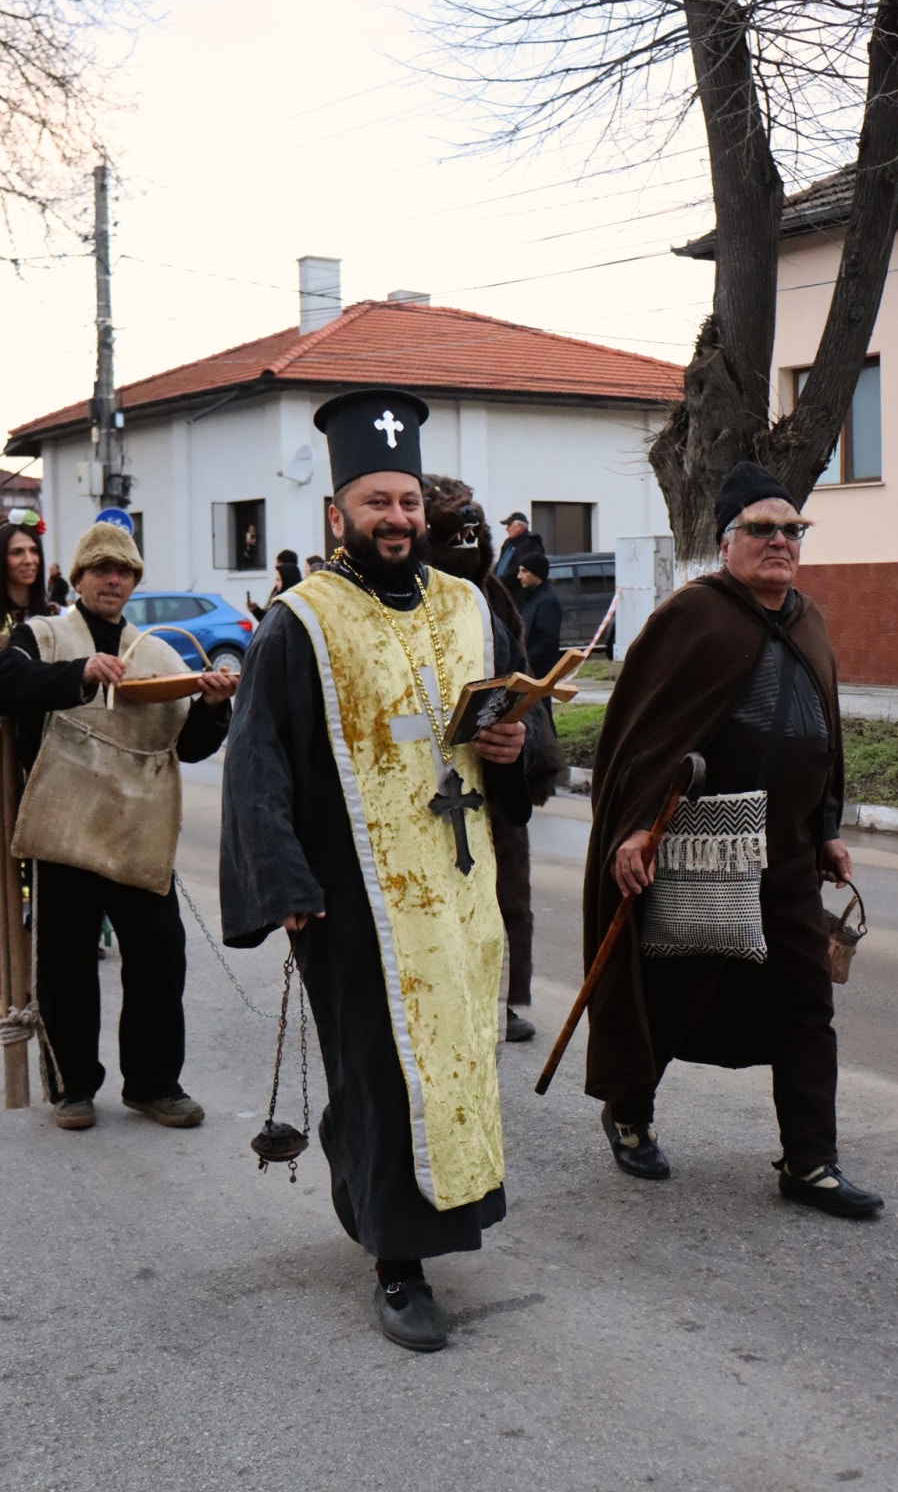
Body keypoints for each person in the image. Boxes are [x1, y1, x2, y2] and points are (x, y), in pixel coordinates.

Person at [220, 389, 530, 1353]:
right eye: (376, 503)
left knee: (454, 1057)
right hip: (354, 895)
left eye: (407, 502)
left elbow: (516, 723)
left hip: (460, 886)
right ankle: (398, 1265)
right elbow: (257, 761)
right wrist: (285, 885)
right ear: (337, 515)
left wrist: (517, 745)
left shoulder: (470, 607)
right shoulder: (300, 623)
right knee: (381, 1072)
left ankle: (420, 1203)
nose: (396, 519)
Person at [583, 461, 883, 1219]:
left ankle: (810, 1162)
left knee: (807, 1002)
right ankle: (629, 1110)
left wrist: (827, 829)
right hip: (702, 847)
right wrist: (635, 828)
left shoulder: (809, 621)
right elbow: (645, 738)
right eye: (763, 529)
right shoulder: (695, 616)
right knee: (675, 992)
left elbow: (824, 735)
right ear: (727, 542)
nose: (781, 541)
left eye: (793, 529)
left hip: (785, 853)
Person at [0, 522, 236, 1131]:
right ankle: (73, 1089)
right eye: (101, 569)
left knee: (161, 955)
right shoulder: (43, 636)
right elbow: (7, 684)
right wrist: (80, 671)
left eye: (124, 571)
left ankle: (153, 1085)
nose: (113, 579)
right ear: (78, 578)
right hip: (64, 827)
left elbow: (188, 747)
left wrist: (213, 706)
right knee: (65, 965)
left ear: (134, 581)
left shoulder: (158, 653)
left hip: (137, 829)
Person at [422, 475, 567, 1046]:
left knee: (505, 890)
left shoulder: (494, 597)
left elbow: (520, 683)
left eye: (471, 536)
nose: (465, 545)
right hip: (421, 775)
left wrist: (523, 743)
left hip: (491, 773)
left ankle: (502, 997)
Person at [0, 517, 55, 1106]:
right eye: (17, 552)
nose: (27, 560)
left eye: (32, 551)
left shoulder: (48, 618)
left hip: (40, 765)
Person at [517, 552, 563, 680]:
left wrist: (526, 661)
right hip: (529, 672)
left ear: (537, 573)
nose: (519, 576)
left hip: (538, 674)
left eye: (524, 571)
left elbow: (547, 641)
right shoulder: (531, 599)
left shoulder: (547, 602)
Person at [494, 512, 545, 605]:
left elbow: (519, 569)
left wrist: (499, 581)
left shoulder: (530, 543)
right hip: (503, 593)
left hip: (519, 596)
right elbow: (500, 563)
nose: (507, 529)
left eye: (509, 525)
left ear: (520, 526)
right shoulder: (508, 543)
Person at [247, 556, 301, 621]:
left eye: (278, 580)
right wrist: (256, 610)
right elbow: (267, 621)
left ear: (287, 580)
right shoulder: (278, 599)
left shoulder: (291, 606)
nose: (276, 584)